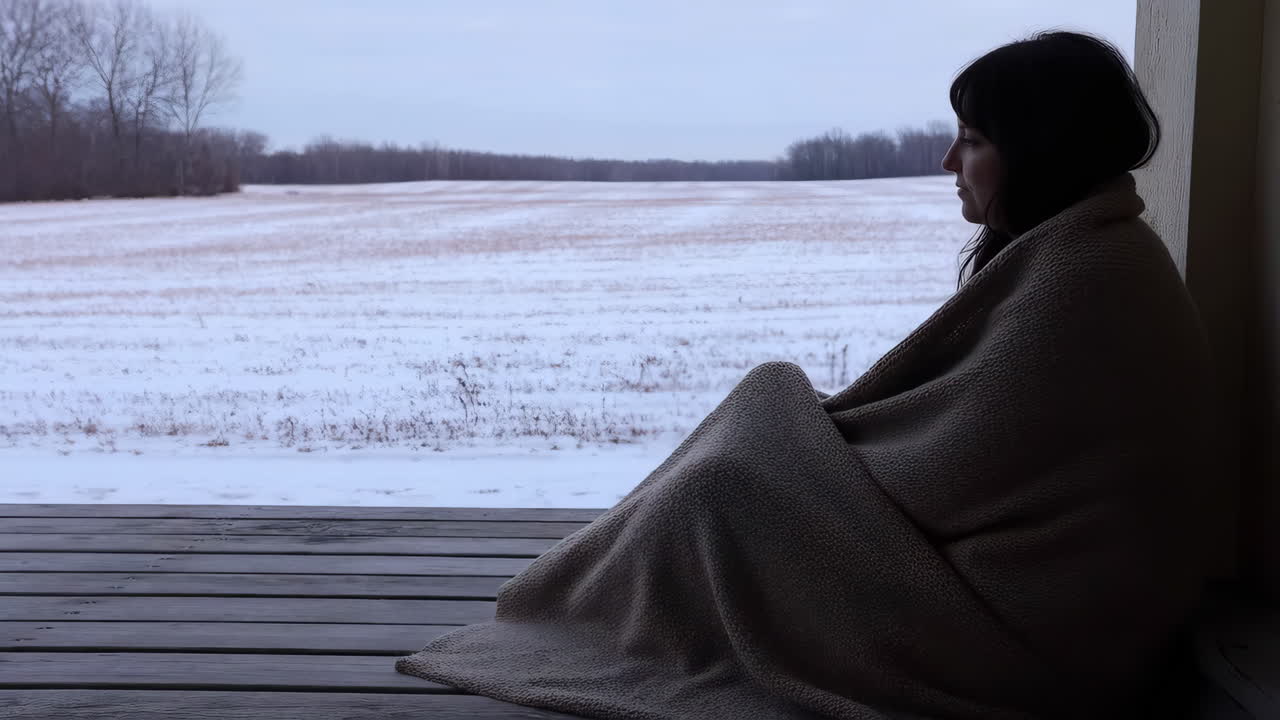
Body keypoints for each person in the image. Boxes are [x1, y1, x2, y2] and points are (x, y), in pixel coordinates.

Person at [396, 31, 1219, 719]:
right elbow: (977, 441)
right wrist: (824, 442)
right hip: (1057, 603)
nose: (948, 160)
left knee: (729, 480)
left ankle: (576, 607)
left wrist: (816, 454)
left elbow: (953, 468)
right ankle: (577, 598)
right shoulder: (1091, 249)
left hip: (1021, 631)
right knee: (764, 418)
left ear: (1041, 147)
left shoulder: (1086, 278)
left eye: (972, 138)